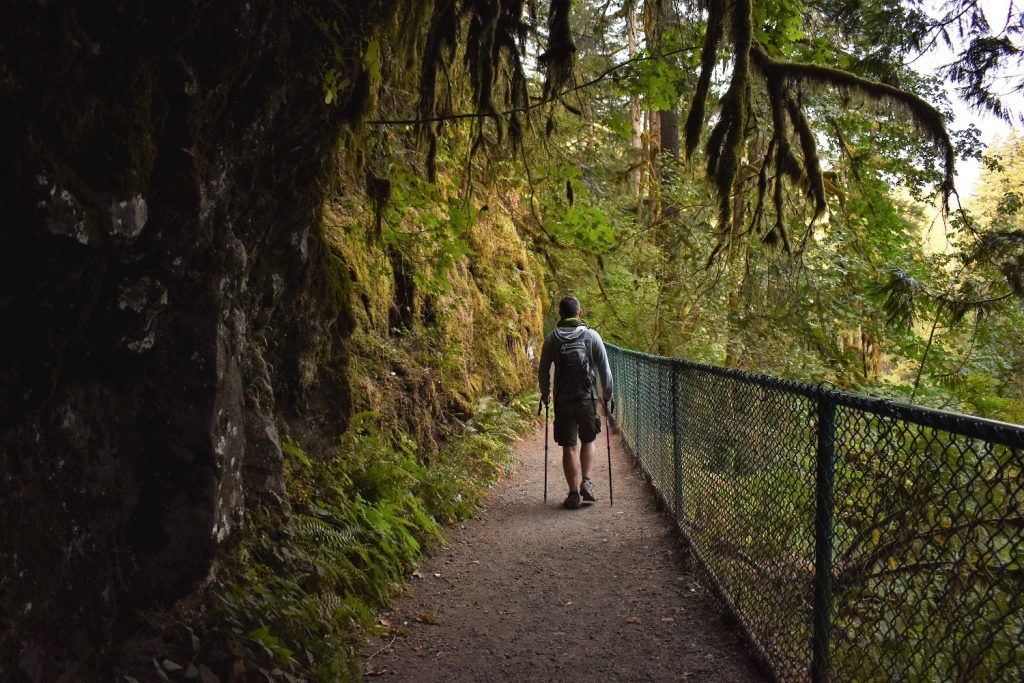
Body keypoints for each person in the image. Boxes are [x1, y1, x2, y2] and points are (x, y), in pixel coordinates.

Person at [538, 295, 614, 509]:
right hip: (587, 398)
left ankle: (573, 494)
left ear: (560, 314)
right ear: (579, 313)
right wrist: (607, 396)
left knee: (568, 447)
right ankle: (587, 482)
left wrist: (546, 394)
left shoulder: (552, 339)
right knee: (588, 440)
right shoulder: (592, 336)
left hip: (563, 400)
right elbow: (605, 371)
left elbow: (543, 371)